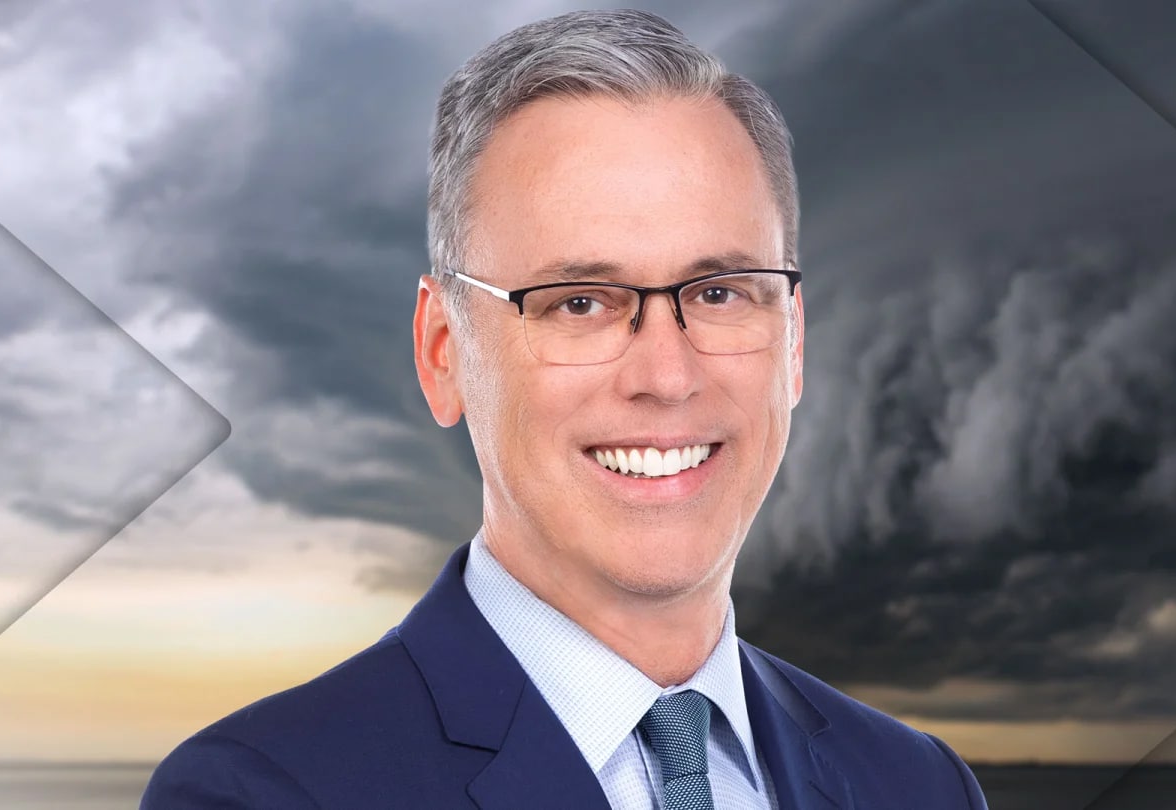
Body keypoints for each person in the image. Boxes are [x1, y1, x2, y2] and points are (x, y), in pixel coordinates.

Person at [142, 9, 988, 809]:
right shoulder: (267, 794)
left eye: (723, 291)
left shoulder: (917, 785)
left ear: (793, 342)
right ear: (444, 352)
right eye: (580, 302)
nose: (667, 373)